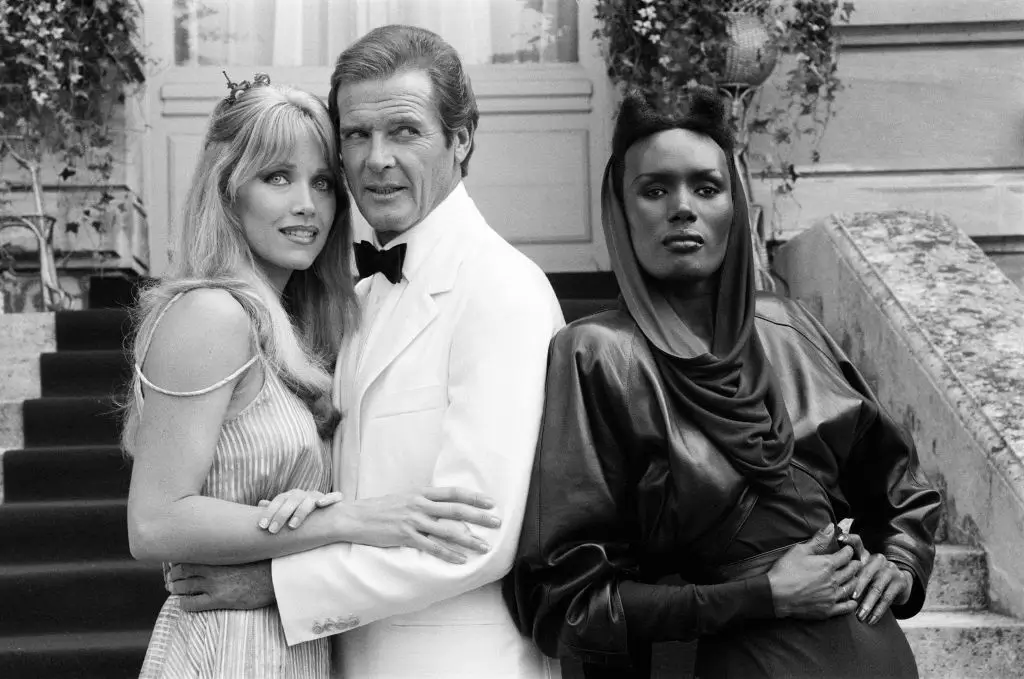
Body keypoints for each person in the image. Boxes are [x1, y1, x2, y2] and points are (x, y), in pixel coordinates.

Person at [164, 26, 565, 679]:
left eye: (404, 131)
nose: (375, 158)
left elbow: (474, 537)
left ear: (461, 140)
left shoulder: (501, 289)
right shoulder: (357, 296)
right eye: (356, 134)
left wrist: (278, 584)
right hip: (341, 657)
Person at [504, 88, 942, 679]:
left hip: (873, 656)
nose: (681, 208)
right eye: (654, 189)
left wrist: (901, 560)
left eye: (706, 188)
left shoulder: (787, 327)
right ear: (620, 206)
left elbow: (898, 487)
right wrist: (763, 594)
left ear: (733, 205)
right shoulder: (596, 356)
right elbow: (568, 607)